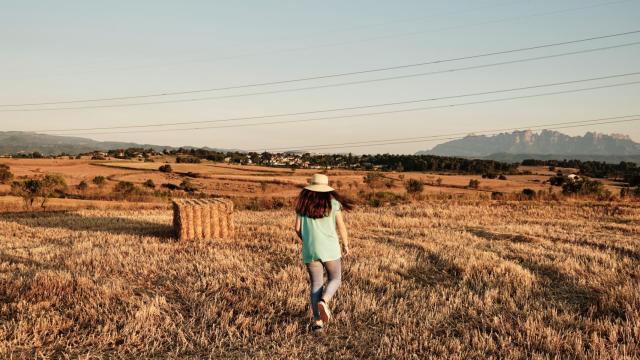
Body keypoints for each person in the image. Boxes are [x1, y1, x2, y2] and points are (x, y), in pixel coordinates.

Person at [294, 173, 352, 333]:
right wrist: (346, 244)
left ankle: (317, 323)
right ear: (326, 189)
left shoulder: (302, 205)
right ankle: (324, 301)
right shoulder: (333, 204)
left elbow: (297, 229)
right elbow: (341, 227)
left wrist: (307, 241)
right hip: (330, 249)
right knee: (335, 278)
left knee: (316, 284)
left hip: (310, 250)